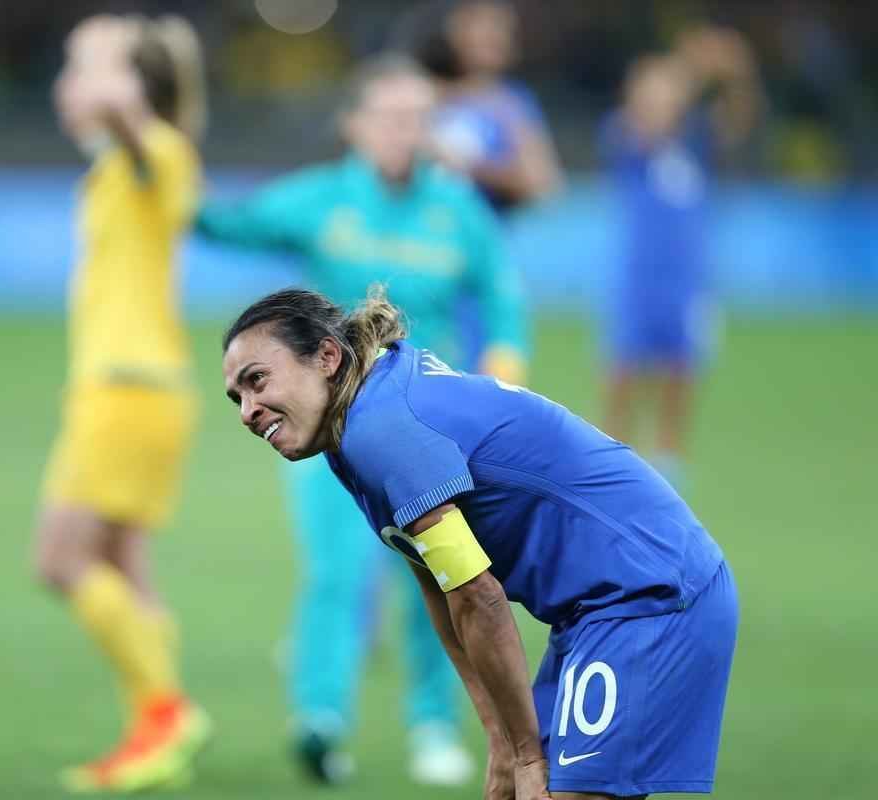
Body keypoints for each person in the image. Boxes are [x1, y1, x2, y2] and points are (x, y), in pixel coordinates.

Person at [221, 287, 738, 799]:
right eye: (237, 397)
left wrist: (527, 753)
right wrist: (501, 737)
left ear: (327, 357)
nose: (247, 410)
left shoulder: (378, 430)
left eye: (257, 380)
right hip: (601, 608)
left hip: (651, 595)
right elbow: (439, 586)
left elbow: (479, 597)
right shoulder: (355, 422)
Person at [196, 54, 527, 786]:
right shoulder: (323, 198)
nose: (404, 131)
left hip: (435, 431)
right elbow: (226, 221)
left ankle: (435, 725)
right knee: (337, 572)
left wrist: (505, 365)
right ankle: (321, 718)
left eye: (418, 117)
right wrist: (159, 165)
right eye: (389, 115)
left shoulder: (457, 208)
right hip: (333, 436)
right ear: (354, 124)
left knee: (444, 578)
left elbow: (504, 299)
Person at [39, 14, 211, 794]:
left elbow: (135, 134)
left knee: (60, 560)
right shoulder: (113, 166)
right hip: (128, 391)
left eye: (87, 69)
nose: (71, 84)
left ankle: (166, 712)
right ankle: (157, 732)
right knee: (122, 567)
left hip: (130, 392)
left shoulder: (161, 153)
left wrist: (111, 81)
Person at [600, 27, 760, 488]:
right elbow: (648, 120)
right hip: (639, 278)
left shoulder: (696, 140)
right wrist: (691, 66)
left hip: (687, 281)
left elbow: (741, 119)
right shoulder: (624, 134)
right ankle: (612, 456)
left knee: (680, 371)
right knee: (625, 371)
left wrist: (736, 74)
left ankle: (670, 461)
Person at [413, 0, 562, 213]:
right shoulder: (420, 92)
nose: (492, 38)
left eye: (500, 29)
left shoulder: (510, 103)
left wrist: (471, 167)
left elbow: (543, 183)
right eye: (480, 27)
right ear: (454, 30)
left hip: (483, 231)